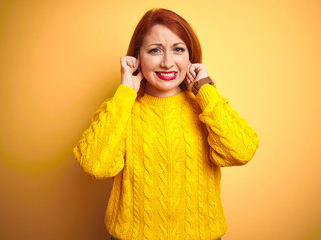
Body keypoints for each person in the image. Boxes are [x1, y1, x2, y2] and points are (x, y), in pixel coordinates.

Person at [73, 8, 259, 240]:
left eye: (178, 49)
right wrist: (125, 92)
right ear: (137, 57)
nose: (167, 62)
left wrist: (205, 90)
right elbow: (94, 165)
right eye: (155, 50)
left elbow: (242, 152)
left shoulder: (206, 108)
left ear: (190, 57)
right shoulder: (120, 108)